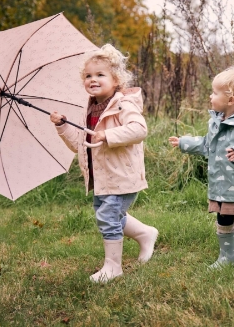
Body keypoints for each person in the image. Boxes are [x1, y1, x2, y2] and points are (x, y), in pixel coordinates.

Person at [50, 44, 158, 283]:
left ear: (116, 79)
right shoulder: (88, 109)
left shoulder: (123, 104)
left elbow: (139, 130)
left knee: (108, 216)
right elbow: (81, 144)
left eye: (100, 75)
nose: (93, 79)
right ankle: (145, 233)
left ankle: (113, 267)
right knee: (107, 212)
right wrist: (63, 126)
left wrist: (108, 135)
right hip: (102, 177)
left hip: (121, 175)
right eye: (88, 76)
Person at [168, 66, 234, 277]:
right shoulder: (217, 120)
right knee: (223, 220)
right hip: (222, 184)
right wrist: (184, 142)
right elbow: (207, 145)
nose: (210, 96)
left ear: (230, 99)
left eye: (215, 92)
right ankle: (228, 257)